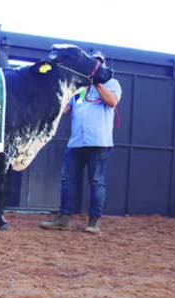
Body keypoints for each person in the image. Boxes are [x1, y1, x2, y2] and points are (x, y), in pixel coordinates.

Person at [40, 51, 122, 234]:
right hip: (76, 142)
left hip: (99, 142)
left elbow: (112, 102)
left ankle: (94, 222)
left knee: (96, 181)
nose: (95, 67)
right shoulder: (79, 87)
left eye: (98, 64)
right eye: (93, 63)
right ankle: (64, 218)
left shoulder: (111, 83)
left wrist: (98, 83)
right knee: (67, 179)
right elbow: (66, 108)